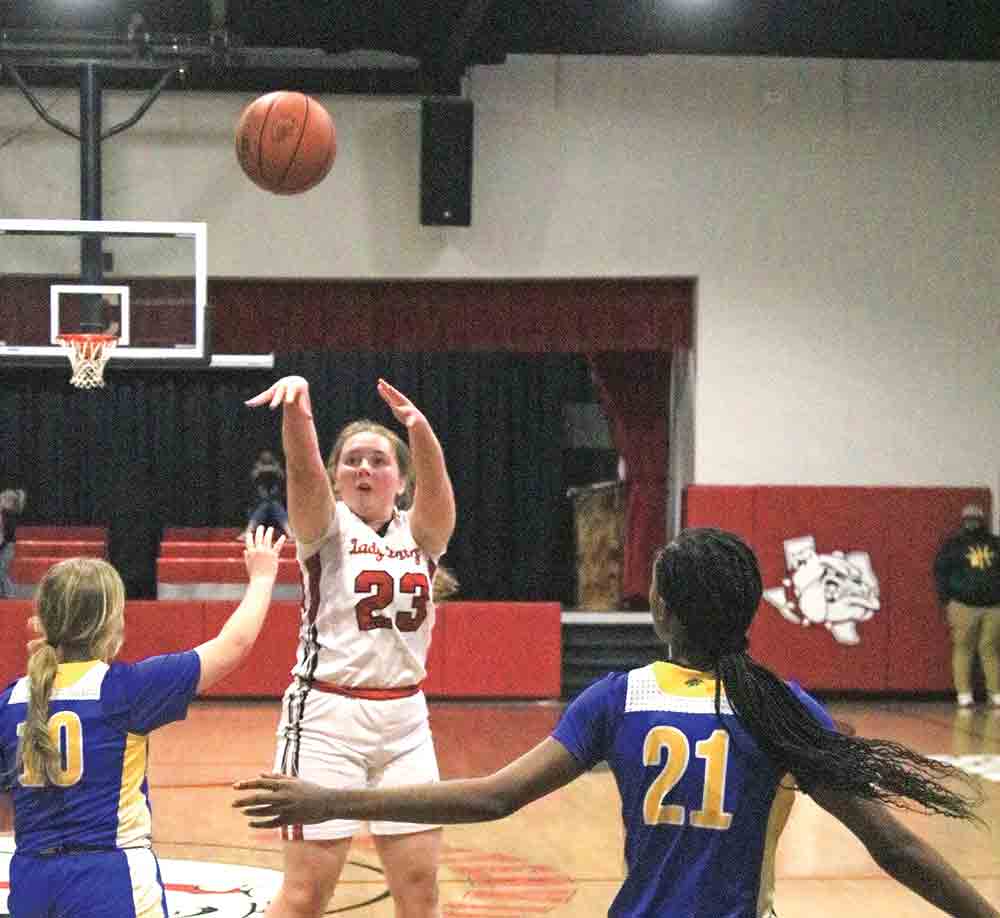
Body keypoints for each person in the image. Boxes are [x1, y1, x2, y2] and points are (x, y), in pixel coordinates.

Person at [236, 528, 998, 918]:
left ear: (661, 611)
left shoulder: (619, 698)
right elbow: (892, 844)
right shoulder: (782, 707)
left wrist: (333, 800)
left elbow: (488, 798)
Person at [244, 375, 456, 918]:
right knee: (306, 895)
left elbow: (438, 489)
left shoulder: (422, 532)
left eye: (379, 462)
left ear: (401, 482)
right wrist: (299, 412)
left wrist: (420, 429)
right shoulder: (325, 526)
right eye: (352, 461)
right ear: (336, 478)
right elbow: (301, 470)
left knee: (420, 892)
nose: (364, 469)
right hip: (326, 716)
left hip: (406, 720)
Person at [0, 525, 286, 917]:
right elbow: (233, 645)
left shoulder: (11, 700)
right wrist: (263, 577)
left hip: (31, 879)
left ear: (44, 619)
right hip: (110, 880)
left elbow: (6, 812)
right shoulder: (125, 690)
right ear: (111, 623)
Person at [934, 503, 1000, 708]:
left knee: (990, 648)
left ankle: (996, 693)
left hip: (994, 605)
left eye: (976, 518)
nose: (972, 521)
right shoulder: (953, 544)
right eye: (968, 518)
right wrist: (947, 598)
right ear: (963, 520)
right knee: (964, 648)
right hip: (963, 604)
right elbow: (940, 571)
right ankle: (964, 694)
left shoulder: (995, 543)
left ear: (983, 520)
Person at [241, 449, 292, 539]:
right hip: (259, 508)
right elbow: (253, 476)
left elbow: (282, 476)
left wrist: (275, 469)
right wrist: (261, 469)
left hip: (276, 507)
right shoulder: (255, 479)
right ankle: (248, 533)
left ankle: (291, 534)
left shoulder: (279, 480)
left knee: (274, 505)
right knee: (264, 505)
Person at [0, 487, 27, 598]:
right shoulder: (6, 514)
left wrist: (2, 545)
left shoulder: (8, 516)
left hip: (6, 547)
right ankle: (6, 594)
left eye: (2, 498)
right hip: (5, 546)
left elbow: (6, 536)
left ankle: (9, 595)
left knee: (2, 572)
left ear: (8, 502)